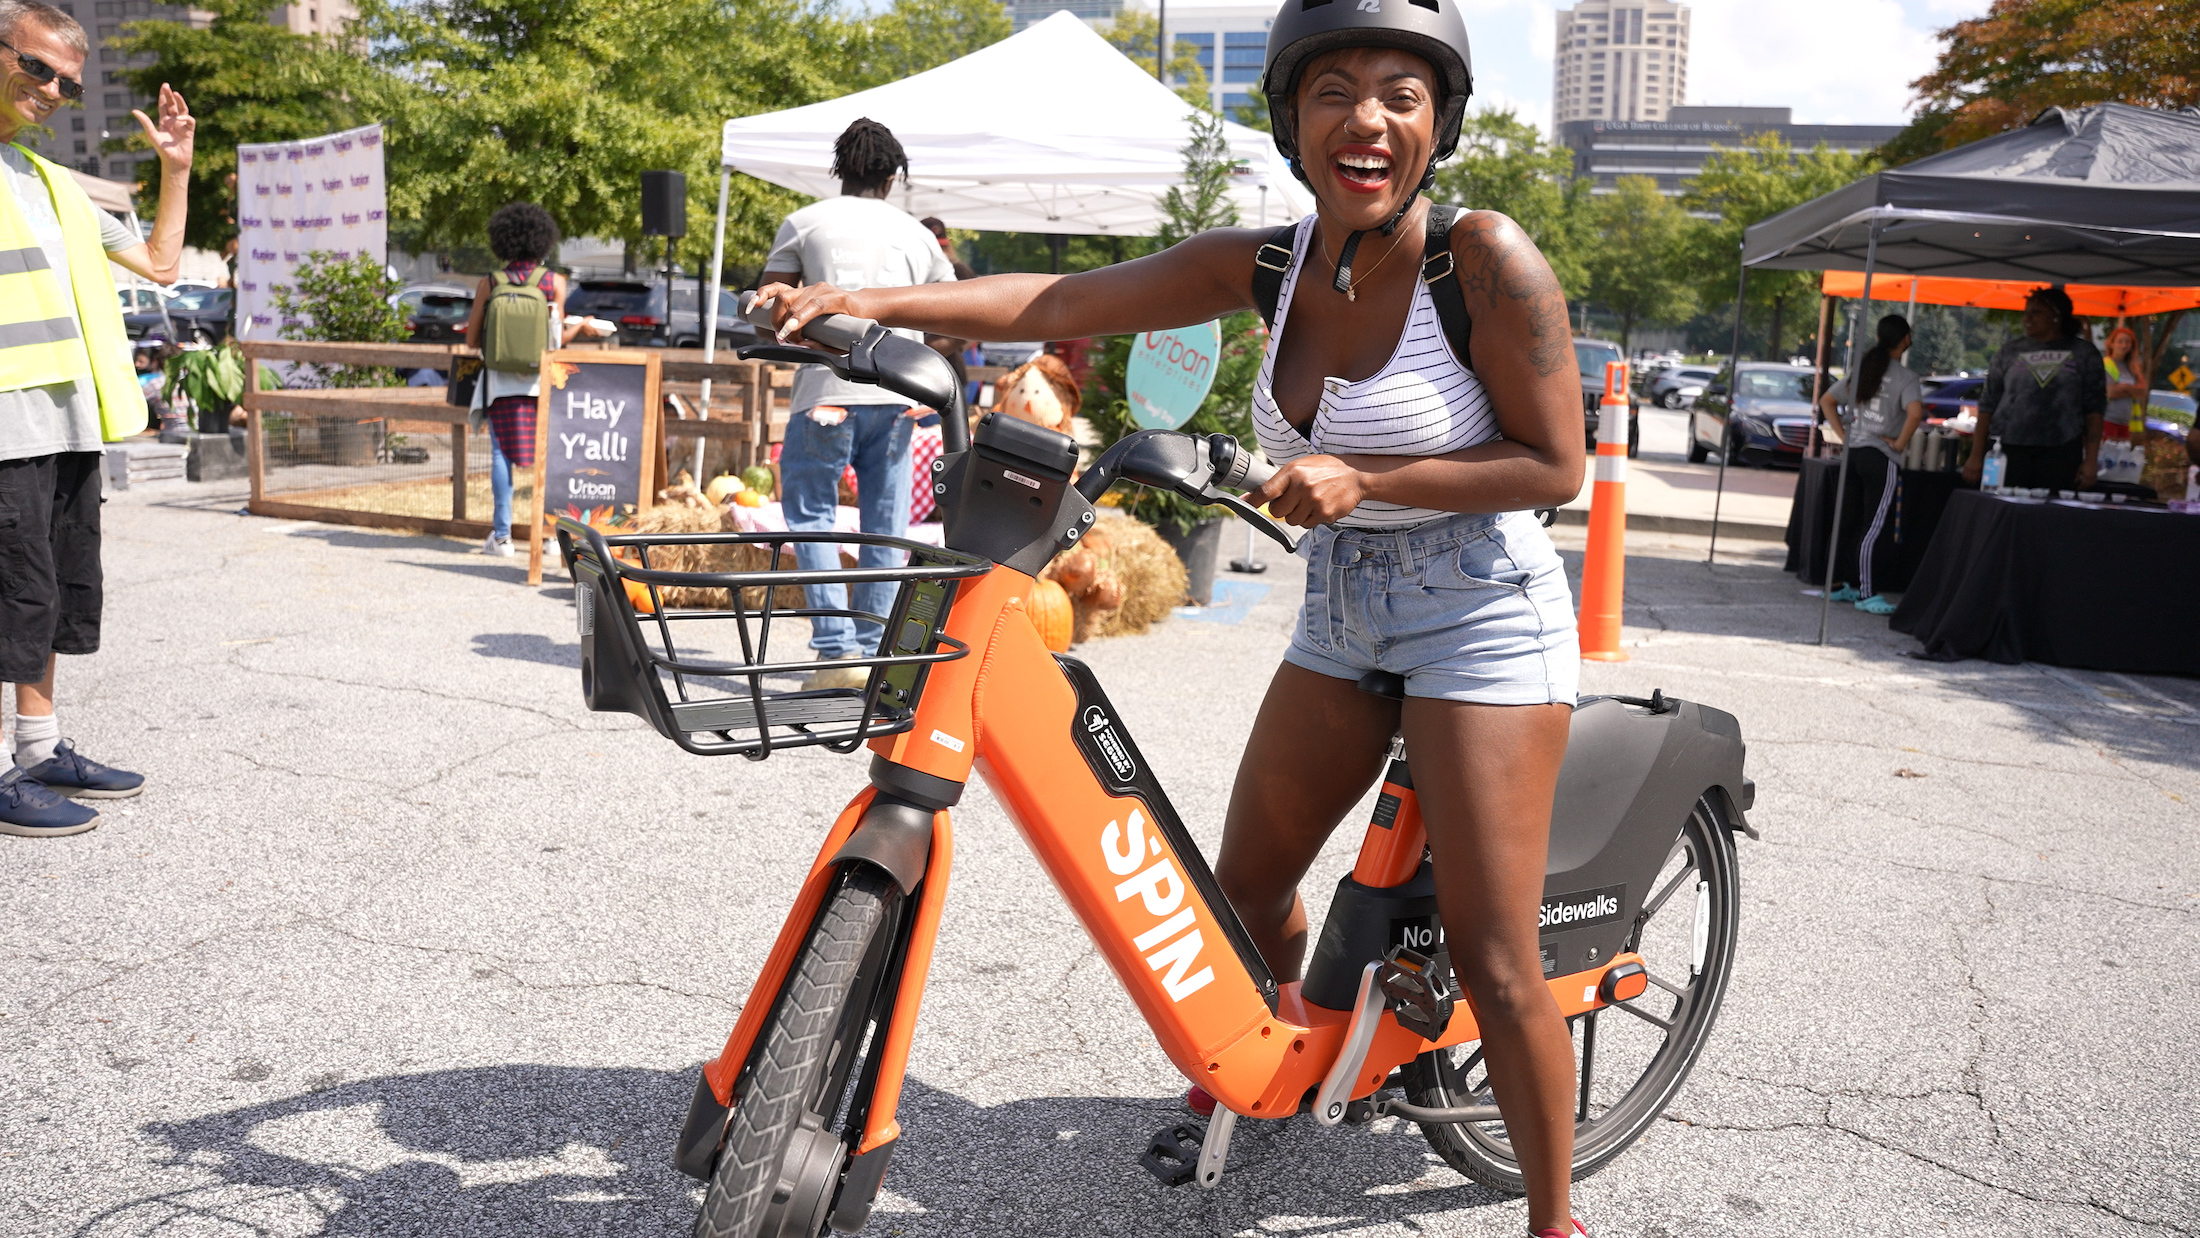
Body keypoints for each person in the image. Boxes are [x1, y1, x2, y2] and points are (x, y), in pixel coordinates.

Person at [760, 3, 1591, 1232]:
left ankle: (1554, 1216)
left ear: (1439, 124)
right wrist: (862, 303)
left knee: (1497, 954)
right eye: (1334, 92)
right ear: (1293, 119)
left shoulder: (1483, 259)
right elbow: (1059, 298)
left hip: (1480, 609)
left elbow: (1555, 463)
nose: (1365, 120)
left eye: (1400, 95)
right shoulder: (1270, 263)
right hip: (1344, 606)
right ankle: (1276, 1071)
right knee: (1241, 890)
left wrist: (1369, 477)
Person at [0, 0, 193, 838]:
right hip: (5, 426)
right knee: (8, 594)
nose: (51, 90)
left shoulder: (51, 183)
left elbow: (161, 263)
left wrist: (176, 170)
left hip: (64, 420)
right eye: (36, 66)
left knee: (45, 593)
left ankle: (38, 747)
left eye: (68, 84)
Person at [759, 119, 955, 688]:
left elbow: (767, 310)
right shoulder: (918, 236)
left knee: (813, 519)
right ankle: (872, 653)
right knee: (885, 526)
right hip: (897, 394)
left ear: (839, 169)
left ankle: (835, 654)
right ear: (893, 177)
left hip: (826, 391)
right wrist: (919, 360)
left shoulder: (806, 222)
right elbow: (952, 317)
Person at [461, 202, 599, 557]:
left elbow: (472, 341)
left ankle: (502, 538)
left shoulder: (491, 282)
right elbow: (556, 342)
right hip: (543, 384)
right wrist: (581, 328)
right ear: (543, 240)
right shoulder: (554, 283)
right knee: (548, 459)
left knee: (500, 456)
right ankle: (551, 536)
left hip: (499, 386)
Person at [1816, 314, 1926, 615]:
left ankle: (1835, 584)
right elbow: (1915, 413)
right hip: (1880, 455)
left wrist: (1844, 435)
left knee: (1846, 520)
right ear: (1906, 339)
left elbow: (1827, 401)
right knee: (1874, 525)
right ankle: (1866, 592)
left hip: (1852, 452)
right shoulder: (1905, 378)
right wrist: (1899, 444)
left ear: (1879, 337)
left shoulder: (1863, 369)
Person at [1964, 286, 2106, 492]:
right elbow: (1987, 405)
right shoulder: (2009, 350)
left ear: (2056, 316)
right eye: (2026, 313)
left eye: (2036, 312)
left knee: (2050, 510)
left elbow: (2095, 410)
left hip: (2061, 450)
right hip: (2008, 448)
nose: (2027, 319)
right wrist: (1976, 456)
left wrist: (2091, 460)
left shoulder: (2084, 353)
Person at [2103, 324, 2148, 439]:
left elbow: (2143, 390)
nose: (2124, 345)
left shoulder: (2132, 367)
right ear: (2111, 344)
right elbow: (2110, 392)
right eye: (2120, 341)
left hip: (2126, 422)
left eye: (2128, 342)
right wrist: (2133, 390)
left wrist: (2124, 387)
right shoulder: (2107, 364)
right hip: (2108, 419)